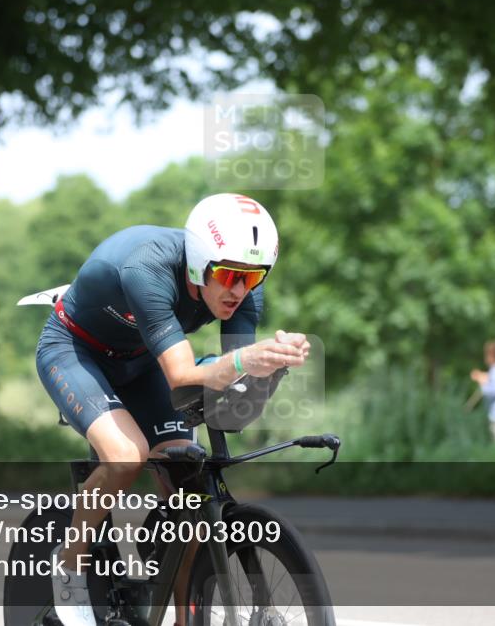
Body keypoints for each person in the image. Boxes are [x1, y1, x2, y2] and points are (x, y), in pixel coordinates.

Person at [34, 193, 309, 626]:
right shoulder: (148, 267)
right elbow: (182, 375)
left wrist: (270, 370)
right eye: (229, 275)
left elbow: (236, 398)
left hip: (142, 361)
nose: (239, 290)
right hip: (74, 351)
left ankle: (184, 618)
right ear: (198, 263)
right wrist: (245, 360)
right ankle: (69, 566)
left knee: (191, 484)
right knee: (126, 457)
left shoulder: (243, 294)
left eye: (253, 277)